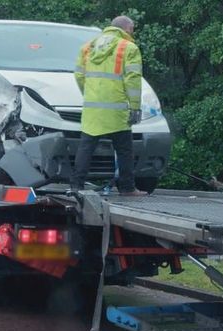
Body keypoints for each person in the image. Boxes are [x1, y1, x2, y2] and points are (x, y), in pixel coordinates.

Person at [70, 15, 147, 196]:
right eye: (132, 29)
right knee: (124, 149)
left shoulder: (88, 47)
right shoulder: (128, 48)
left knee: (86, 147)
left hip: (92, 108)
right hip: (117, 109)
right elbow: (132, 80)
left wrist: (89, 94)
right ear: (127, 29)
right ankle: (127, 188)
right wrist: (135, 106)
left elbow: (79, 76)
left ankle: (76, 186)